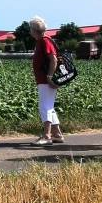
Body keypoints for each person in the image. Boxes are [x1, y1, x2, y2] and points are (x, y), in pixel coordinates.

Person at [29, 16, 65, 146]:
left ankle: (47, 135)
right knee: (49, 107)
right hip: (44, 79)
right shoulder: (43, 40)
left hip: (46, 80)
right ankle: (57, 134)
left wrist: (49, 76)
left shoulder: (44, 41)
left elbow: (53, 59)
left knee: (45, 107)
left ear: (34, 30)